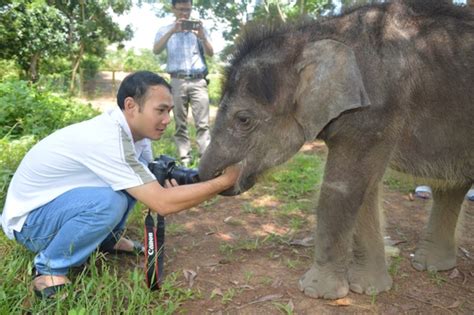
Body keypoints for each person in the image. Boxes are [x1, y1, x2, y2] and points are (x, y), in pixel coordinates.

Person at [0, 71, 240, 299]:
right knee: (110, 201)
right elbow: (162, 203)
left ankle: (106, 240)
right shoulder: (109, 138)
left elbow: (149, 179)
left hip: (53, 207)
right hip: (29, 225)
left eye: (169, 111)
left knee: (138, 182)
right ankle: (48, 269)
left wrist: (189, 178)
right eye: (160, 110)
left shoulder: (134, 135)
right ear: (131, 106)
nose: (167, 119)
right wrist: (224, 181)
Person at [153, 0, 213, 167]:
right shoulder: (165, 30)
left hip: (198, 80)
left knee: (203, 123)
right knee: (180, 123)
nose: (185, 14)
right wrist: (172, 31)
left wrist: (202, 37)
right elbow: (156, 50)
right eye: (181, 10)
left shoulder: (198, 30)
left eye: (188, 10)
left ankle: (205, 161)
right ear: (173, 9)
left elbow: (211, 53)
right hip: (177, 81)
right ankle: (185, 161)